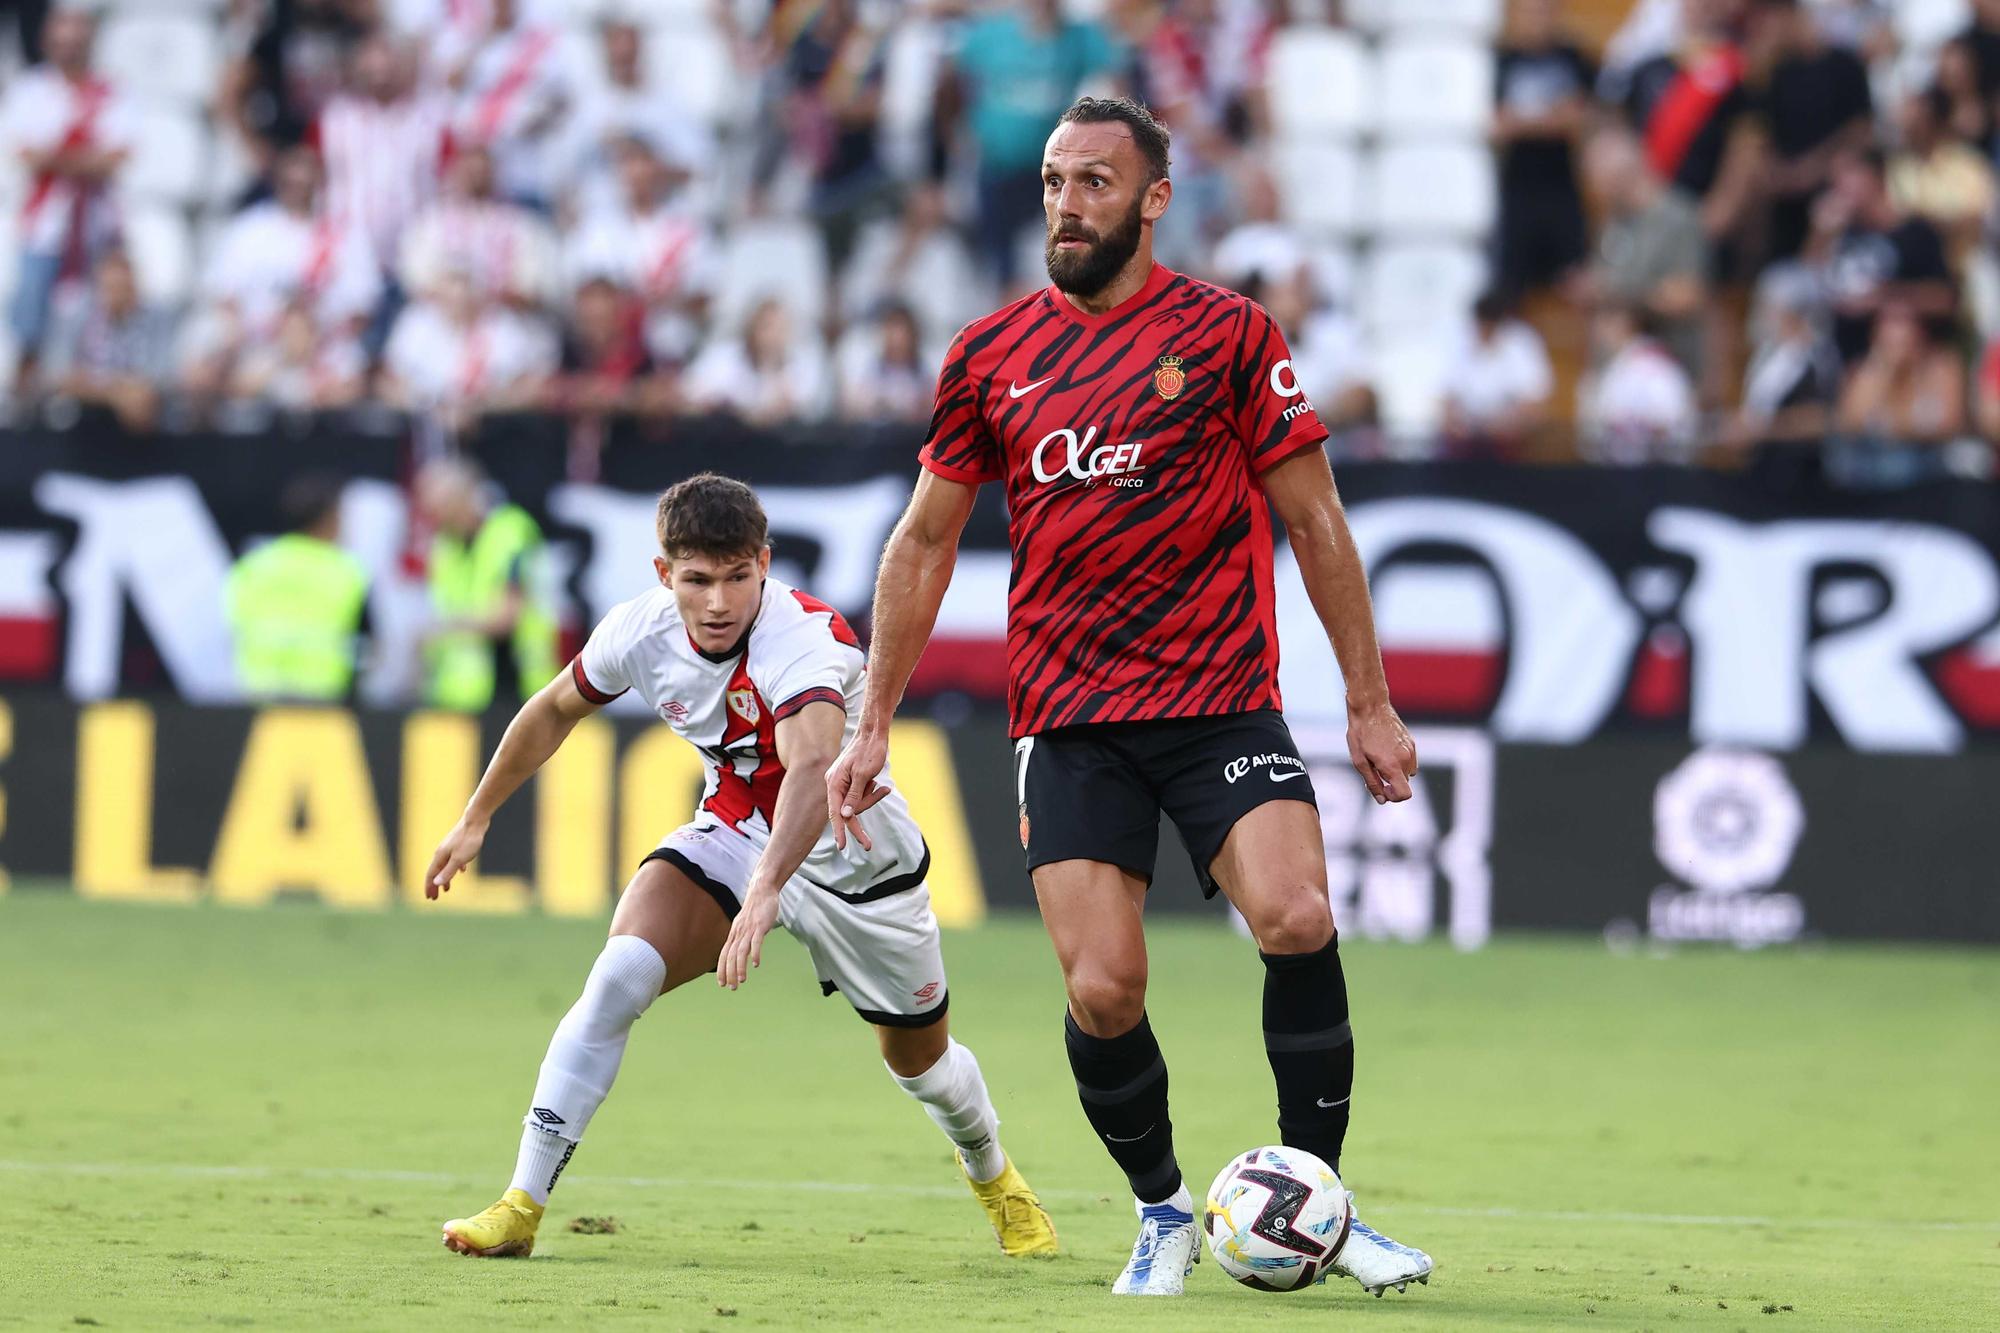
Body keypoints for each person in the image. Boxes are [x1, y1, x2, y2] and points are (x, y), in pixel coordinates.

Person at [826, 96, 1433, 1300]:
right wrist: (871, 718)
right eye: (1055, 180)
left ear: (1154, 200)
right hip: (1069, 715)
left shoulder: (1227, 335)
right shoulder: (989, 353)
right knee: (1102, 987)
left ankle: (1313, 1204)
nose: (1067, 202)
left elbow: (1313, 520)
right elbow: (922, 541)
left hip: (1219, 700)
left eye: (1095, 182)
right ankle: (1161, 1209)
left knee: (1298, 915)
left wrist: (1367, 701)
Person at [426, 473, 1058, 1264]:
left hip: (855, 860)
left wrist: (765, 893)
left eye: (737, 576)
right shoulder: (641, 630)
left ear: (764, 562)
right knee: (620, 973)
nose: (719, 600)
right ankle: (521, 1202)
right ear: (666, 575)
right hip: (733, 833)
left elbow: (811, 768)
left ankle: (993, 1172)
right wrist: (475, 814)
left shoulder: (803, 641)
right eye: (697, 579)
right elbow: (555, 706)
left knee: (923, 1064)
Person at [414, 456, 558, 713]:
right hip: (458, 696)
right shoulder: (444, 548)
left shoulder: (511, 532)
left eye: (442, 506)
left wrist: (439, 628)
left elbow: (507, 616)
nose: (435, 518)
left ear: (467, 497)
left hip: (516, 686)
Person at [225, 473, 369, 703]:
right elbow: (365, 639)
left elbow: (234, 622)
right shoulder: (347, 570)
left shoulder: (253, 563)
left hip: (258, 692)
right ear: (328, 519)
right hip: (320, 694)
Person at [1490, 0, 1595, 293]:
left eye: (1545, 10)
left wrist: (1522, 120)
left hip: (1563, 188)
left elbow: (1584, 120)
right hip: (1515, 189)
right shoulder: (1498, 60)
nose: (1538, 19)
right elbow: (1496, 125)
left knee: (1576, 281)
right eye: (1530, 11)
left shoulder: (1575, 58)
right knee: (1509, 284)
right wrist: (1554, 118)